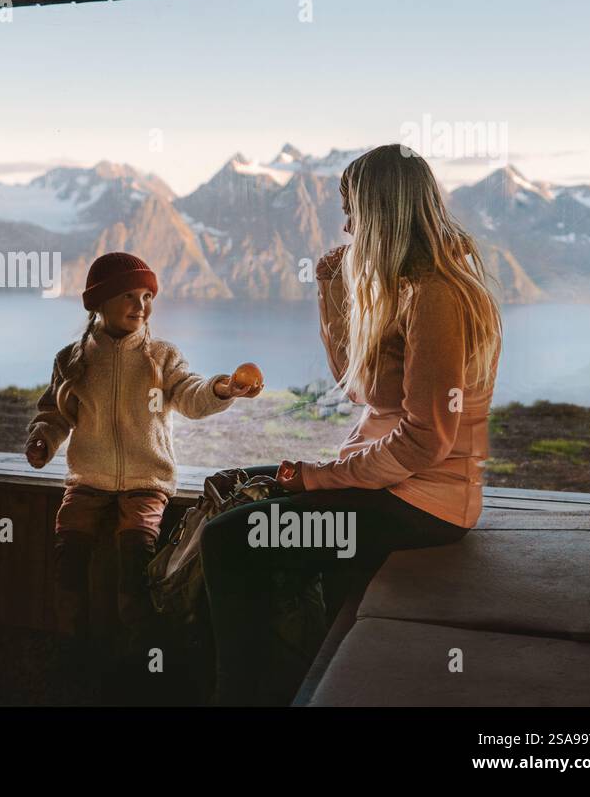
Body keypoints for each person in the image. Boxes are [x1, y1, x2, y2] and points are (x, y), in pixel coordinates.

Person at [200, 144, 503, 705]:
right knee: (233, 491)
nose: (345, 224)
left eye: (352, 209)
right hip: (391, 487)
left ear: (383, 213)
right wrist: (332, 291)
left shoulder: (438, 295)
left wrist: (315, 478)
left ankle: (239, 697)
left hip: (421, 505)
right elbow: (361, 389)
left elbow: (425, 440)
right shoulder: (408, 286)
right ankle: (285, 681)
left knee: (229, 540)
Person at [25, 251, 264, 660]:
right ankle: (71, 644)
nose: (141, 306)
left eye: (147, 296)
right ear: (99, 303)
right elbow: (55, 411)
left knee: (136, 555)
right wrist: (44, 439)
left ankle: (139, 651)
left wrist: (221, 389)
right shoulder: (73, 359)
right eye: (129, 296)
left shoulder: (162, 357)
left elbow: (190, 395)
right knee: (69, 553)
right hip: (87, 481)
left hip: (146, 482)